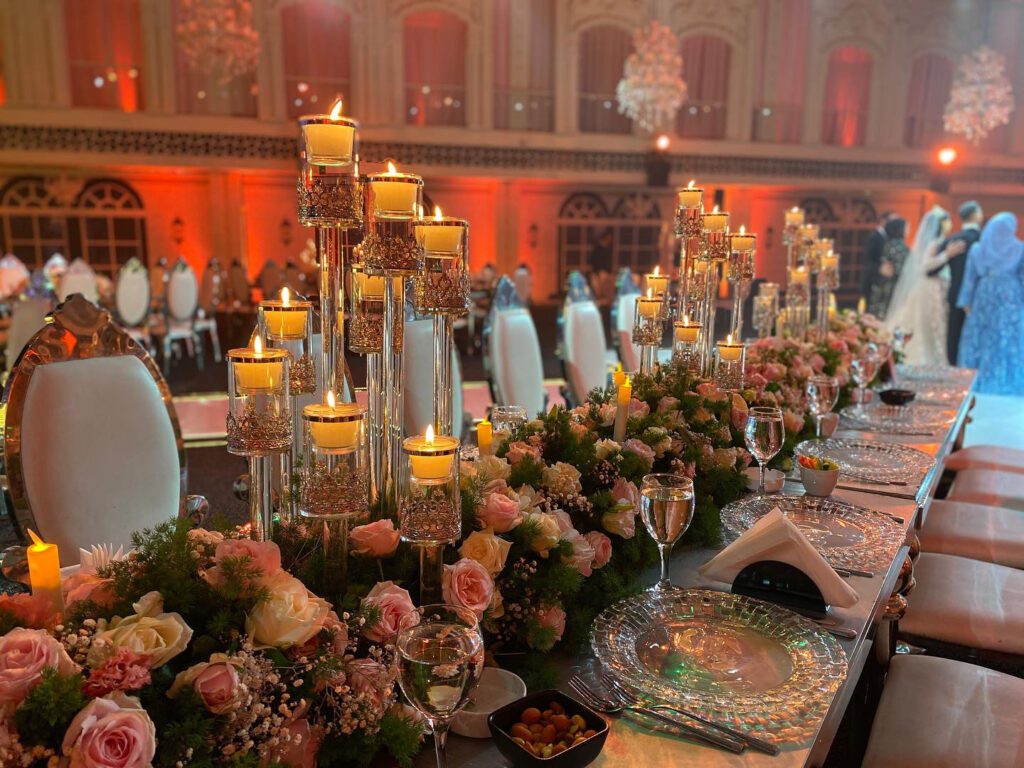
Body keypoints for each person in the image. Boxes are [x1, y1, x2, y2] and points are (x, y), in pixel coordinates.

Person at [957, 212, 1024, 394]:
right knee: (1006, 336)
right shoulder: (1019, 248)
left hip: (984, 295)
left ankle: (978, 378)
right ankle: (1005, 379)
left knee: (982, 336)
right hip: (1010, 298)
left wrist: (966, 301)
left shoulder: (978, 248)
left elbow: (969, 278)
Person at [884, 206, 958, 365]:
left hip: (935, 287)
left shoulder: (937, 242)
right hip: (929, 288)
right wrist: (947, 255)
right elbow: (924, 267)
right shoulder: (934, 243)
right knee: (925, 325)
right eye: (947, 222)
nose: (950, 225)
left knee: (931, 325)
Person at [929, 200, 983, 365]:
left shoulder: (952, 240)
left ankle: (953, 368)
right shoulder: (985, 239)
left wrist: (947, 255)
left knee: (954, 336)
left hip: (956, 294)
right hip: (980, 296)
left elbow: (931, 270)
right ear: (976, 215)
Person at [867, 217, 908, 317]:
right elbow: (900, 269)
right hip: (892, 288)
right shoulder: (899, 246)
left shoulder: (888, 244)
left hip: (881, 286)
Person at [861, 210, 895, 305]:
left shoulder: (887, 237)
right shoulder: (874, 237)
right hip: (871, 281)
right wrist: (880, 268)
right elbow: (867, 260)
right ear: (883, 221)